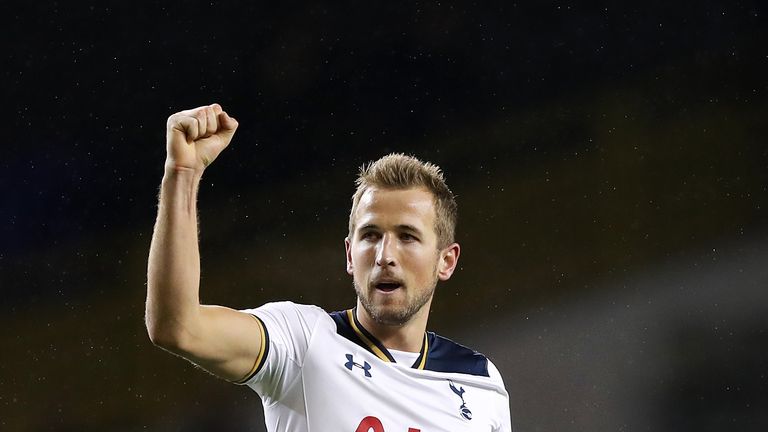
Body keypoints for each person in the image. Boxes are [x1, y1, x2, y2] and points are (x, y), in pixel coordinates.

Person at [146, 103, 512, 431]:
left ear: (445, 261)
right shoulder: (304, 342)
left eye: (407, 236)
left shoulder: (481, 383)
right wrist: (182, 173)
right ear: (350, 256)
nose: (385, 254)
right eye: (370, 235)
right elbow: (178, 327)